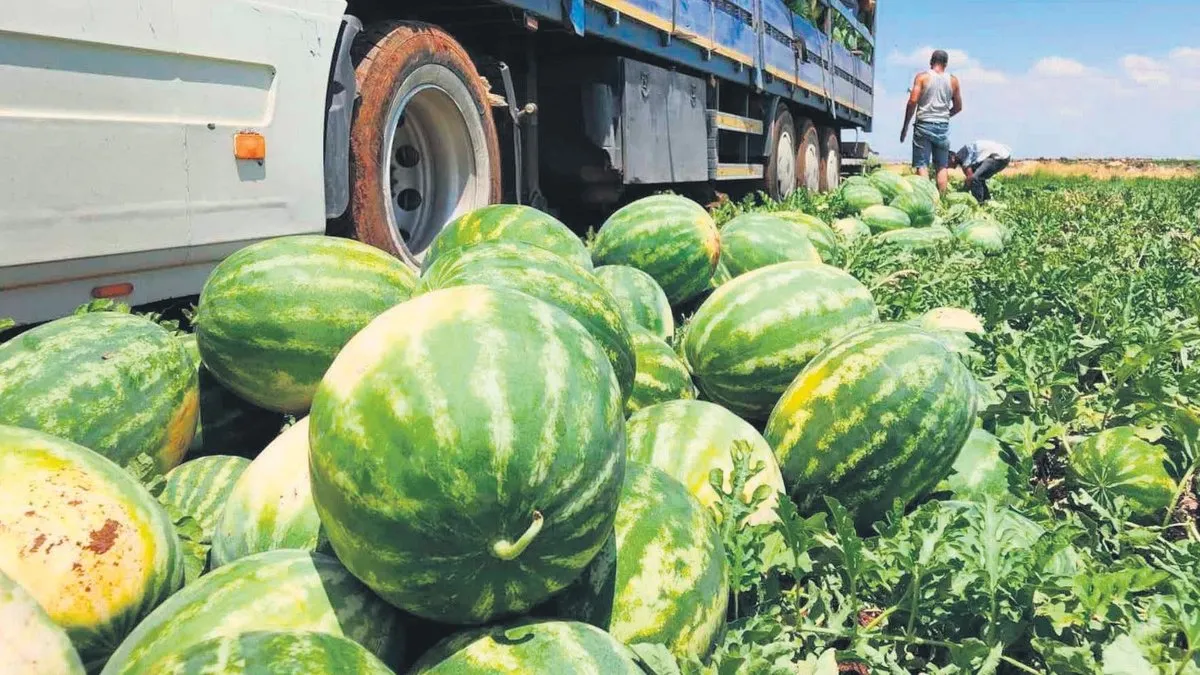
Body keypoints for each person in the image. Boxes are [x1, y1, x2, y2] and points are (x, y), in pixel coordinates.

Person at [900, 50, 963, 195]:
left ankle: (927, 199)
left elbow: (913, 101)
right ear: (946, 64)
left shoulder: (922, 78)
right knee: (942, 166)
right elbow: (959, 107)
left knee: (922, 165)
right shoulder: (953, 81)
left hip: (923, 125)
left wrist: (905, 127)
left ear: (931, 62)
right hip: (943, 127)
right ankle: (942, 201)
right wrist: (945, 116)